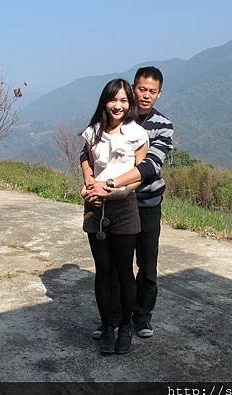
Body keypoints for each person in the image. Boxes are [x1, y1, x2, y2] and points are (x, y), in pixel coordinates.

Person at [81, 66, 173, 339]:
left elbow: (149, 166)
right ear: (133, 88)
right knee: (116, 267)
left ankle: (141, 317)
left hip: (145, 203)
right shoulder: (112, 117)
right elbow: (86, 153)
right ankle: (114, 319)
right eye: (141, 89)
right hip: (112, 204)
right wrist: (90, 181)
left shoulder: (162, 126)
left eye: (152, 91)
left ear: (159, 94)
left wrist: (109, 185)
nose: (145, 96)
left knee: (146, 264)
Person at [80, 78, 149, 355]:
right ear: (104, 101)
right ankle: (107, 326)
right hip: (95, 208)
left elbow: (139, 176)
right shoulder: (92, 132)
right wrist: (88, 185)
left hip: (124, 208)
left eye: (123, 100)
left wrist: (113, 190)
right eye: (113, 99)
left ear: (129, 104)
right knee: (103, 272)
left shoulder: (137, 134)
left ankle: (125, 328)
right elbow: (87, 162)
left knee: (124, 272)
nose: (118, 105)